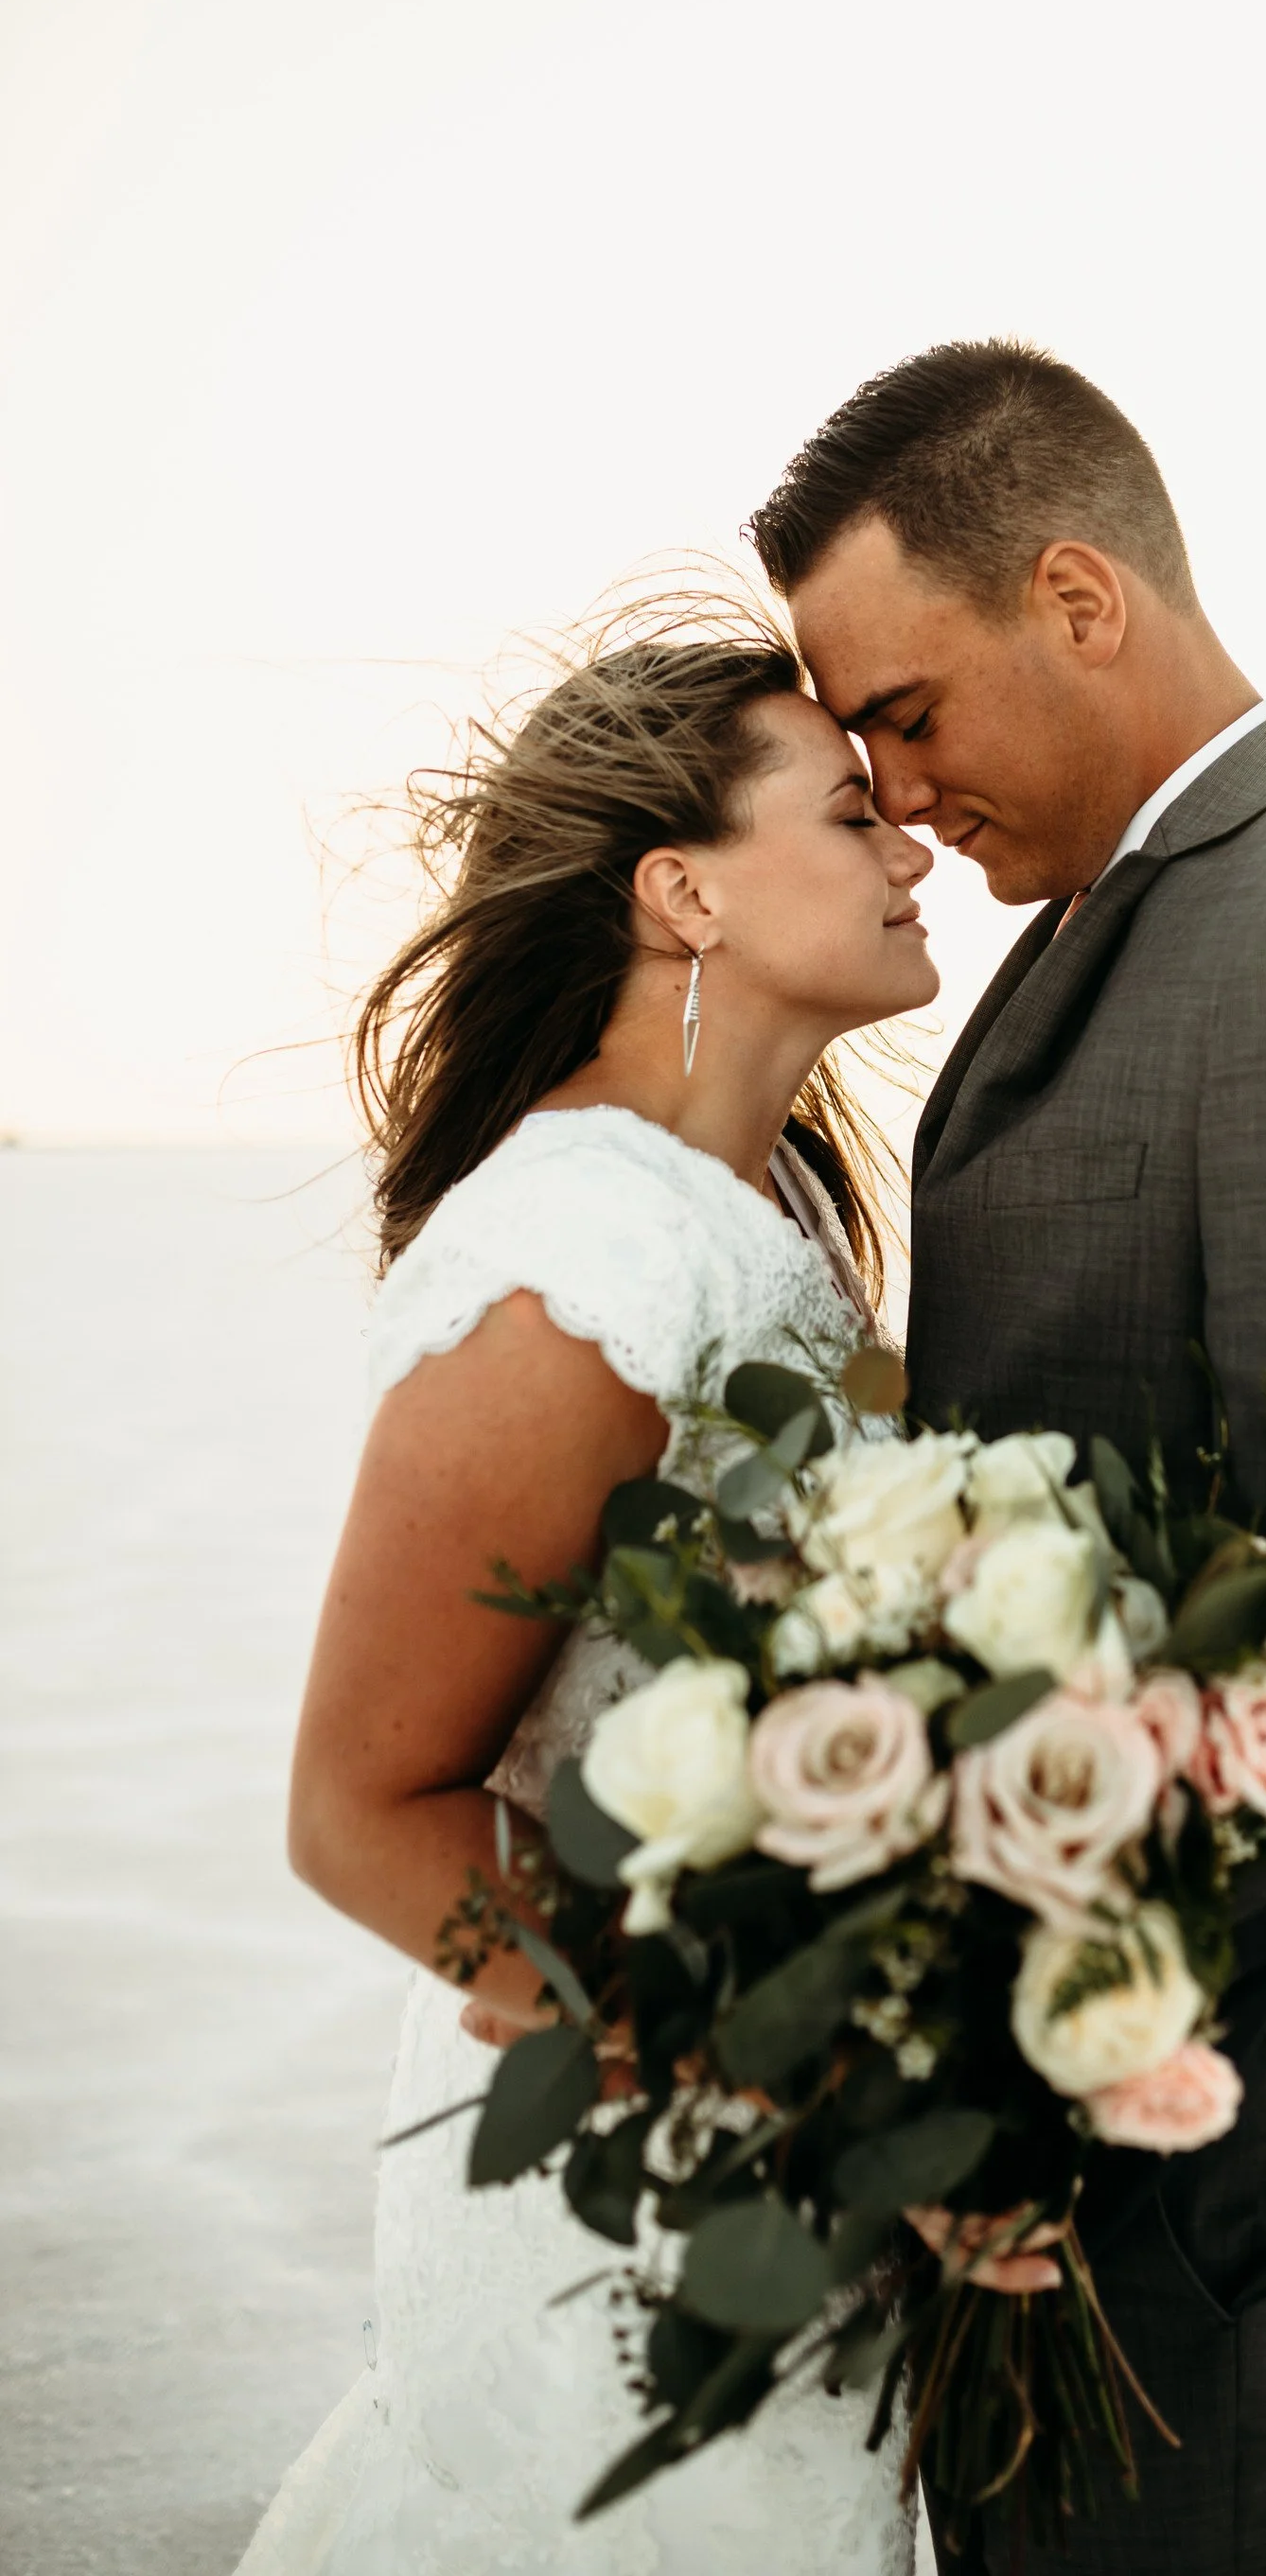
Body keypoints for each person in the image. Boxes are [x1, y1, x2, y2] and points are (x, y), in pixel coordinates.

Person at [751, 341, 1266, 2576]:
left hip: (1245, 2081)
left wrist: (1014, 2059)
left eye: (909, 715)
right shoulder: (1116, 922)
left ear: (1079, 597)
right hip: (1138, 2044)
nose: (899, 799)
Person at [236, 612, 936, 2576]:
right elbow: (359, 1808)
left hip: (793, 2207)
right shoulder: (571, 1262)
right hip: (622, 2214)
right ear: (679, 890)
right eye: (850, 810)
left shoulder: (772, 1210)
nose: (914, 851)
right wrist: (736, 2060)